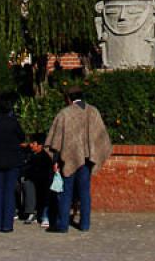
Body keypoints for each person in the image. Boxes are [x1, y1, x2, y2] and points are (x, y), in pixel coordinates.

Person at [44, 85, 112, 233]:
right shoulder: (93, 112)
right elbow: (101, 138)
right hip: (87, 160)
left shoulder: (64, 114)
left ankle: (62, 225)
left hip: (66, 159)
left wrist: (55, 161)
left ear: (68, 98)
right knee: (84, 192)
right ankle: (85, 224)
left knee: (65, 192)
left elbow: (56, 141)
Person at [0, 92, 25, 232]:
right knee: (8, 191)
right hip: (12, 160)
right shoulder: (13, 122)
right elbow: (22, 137)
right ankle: (7, 224)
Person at [20, 133, 53, 226]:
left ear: (40, 145)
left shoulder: (45, 157)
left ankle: (44, 215)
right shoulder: (31, 154)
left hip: (44, 182)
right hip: (35, 180)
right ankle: (32, 213)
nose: (31, 145)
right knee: (27, 182)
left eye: (33, 143)